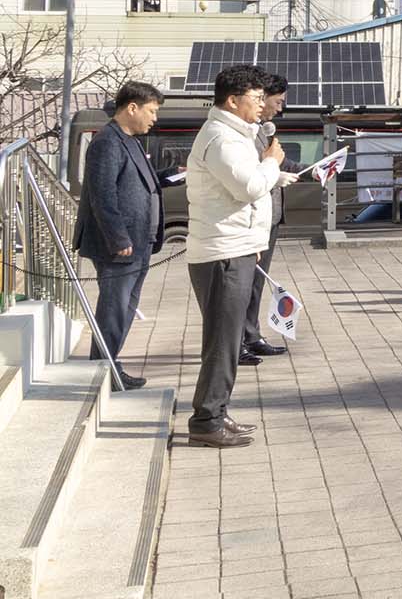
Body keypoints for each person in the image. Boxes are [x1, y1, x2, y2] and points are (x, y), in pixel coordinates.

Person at [182, 66, 284, 447]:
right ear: (232, 100)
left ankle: (216, 413)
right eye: (256, 98)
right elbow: (249, 188)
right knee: (223, 342)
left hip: (236, 248)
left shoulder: (235, 136)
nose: (262, 105)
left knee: (225, 339)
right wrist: (272, 161)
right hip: (222, 253)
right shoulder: (223, 140)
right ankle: (207, 420)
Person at [76, 81, 167, 388]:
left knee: (125, 308)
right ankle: (103, 370)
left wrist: (170, 176)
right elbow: (102, 196)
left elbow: (140, 181)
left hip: (140, 242)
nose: (154, 118)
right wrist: (118, 238)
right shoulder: (107, 142)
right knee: (114, 309)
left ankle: (109, 366)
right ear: (132, 108)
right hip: (119, 246)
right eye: (151, 111)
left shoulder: (130, 140)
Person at [239, 71, 293, 364]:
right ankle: (238, 342)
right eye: (276, 101)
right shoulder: (244, 133)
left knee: (256, 284)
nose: (274, 107)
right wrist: (274, 173)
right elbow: (252, 175)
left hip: (268, 219)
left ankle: (251, 334)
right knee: (243, 284)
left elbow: (277, 160)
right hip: (250, 221)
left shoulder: (263, 130)